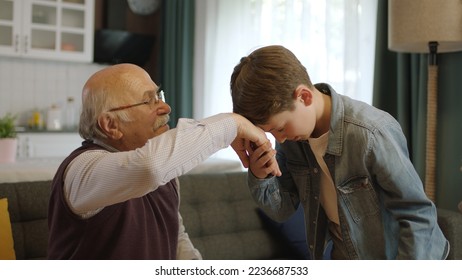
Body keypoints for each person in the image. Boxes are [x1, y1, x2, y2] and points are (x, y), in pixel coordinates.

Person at [230, 45, 449, 259]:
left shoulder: (370, 133)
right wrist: (261, 177)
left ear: (304, 96)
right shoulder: (292, 139)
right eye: (271, 132)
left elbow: (416, 215)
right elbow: (283, 210)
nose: (280, 138)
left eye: (279, 128)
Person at [47, 63, 279, 260]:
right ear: (111, 125)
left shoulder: (164, 170)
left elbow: (175, 238)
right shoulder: (81, 171)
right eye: (149, 101)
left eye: (159, 95)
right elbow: (149, 167)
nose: (165, 107)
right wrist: (232, 124)